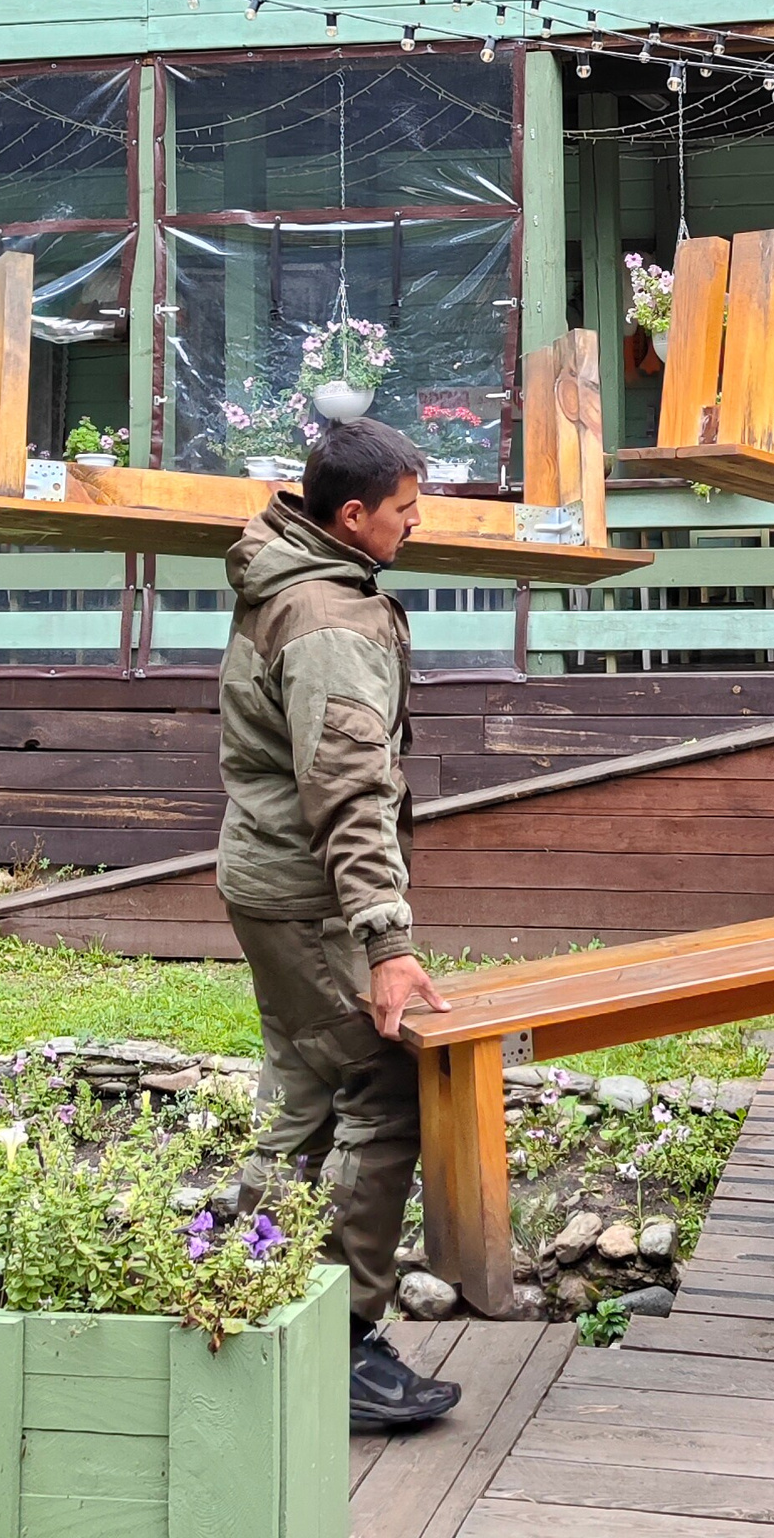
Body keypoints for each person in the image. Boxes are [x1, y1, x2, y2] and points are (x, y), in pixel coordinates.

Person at [217, 415, 460, 1433]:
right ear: (350, 514)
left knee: (301, 1092)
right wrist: (388, 944)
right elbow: (349, 791)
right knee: (385, 1083)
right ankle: (340, 1342)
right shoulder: (326, 621)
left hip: (271, 880)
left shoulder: (296, 575)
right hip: (314, 895)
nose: (415, 525)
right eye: (403, 511)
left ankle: (242, 1293)